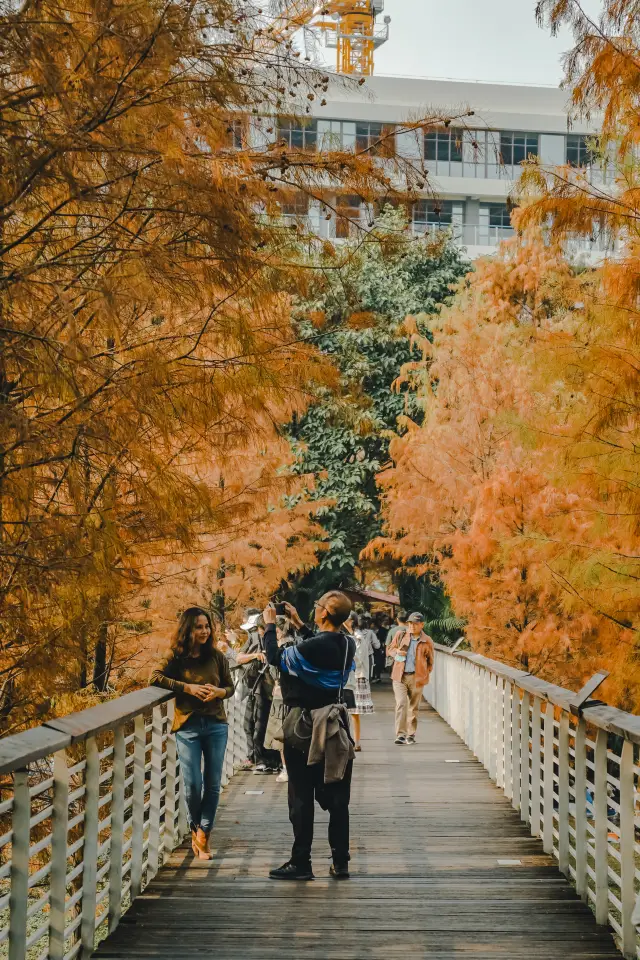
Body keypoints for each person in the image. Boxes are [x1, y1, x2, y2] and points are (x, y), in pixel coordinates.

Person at [262, 592, 356, 881]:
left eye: (317, 606)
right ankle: (340, 861)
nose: (314, 608)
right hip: (335, 725)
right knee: (338, 798)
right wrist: (300, 623)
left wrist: (268, 626)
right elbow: (318, 644)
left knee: (300, 796)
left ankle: (301, 861)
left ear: (325, 613)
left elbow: (275, 658)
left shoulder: (314, 646)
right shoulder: (347, 644)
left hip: (304, 727)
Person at [150, 607, 234, 860]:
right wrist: (187, 687)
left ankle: (204, 833)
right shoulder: (176, 657)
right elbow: (154, 677)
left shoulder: (217, 656)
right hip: (188, 727)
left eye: (207, 626)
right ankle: (195, 827)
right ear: (188, 629)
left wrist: (220, 692)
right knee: (193, 785)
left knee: (212, 783)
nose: (204, 631)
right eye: (199, 627)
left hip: (216, 725)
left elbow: (229, 686)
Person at [237, 612, 280, 774]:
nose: (258, 632)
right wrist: (254, 655)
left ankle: (264, 760)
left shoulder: (273, 639)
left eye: (259, 629)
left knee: (260, 726)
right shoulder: (254, 638)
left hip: (266, 690)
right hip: (252, 687)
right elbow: (238, 658)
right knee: (248, 724)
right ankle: (254, 756)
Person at [387, 612, 434, 746]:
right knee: (401, 703)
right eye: (410, 623)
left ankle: (410, 734)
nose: (412, 626)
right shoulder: (400, 635)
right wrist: (397, 652)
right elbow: (390, 649)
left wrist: (424, 674)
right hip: (399, 676)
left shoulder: (427, 640)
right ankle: (400, 734)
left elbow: (431, 661)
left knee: (413, 707)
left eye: (415, 624)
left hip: (416, 677)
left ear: (422, 625)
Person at [264, 616, 298, 783]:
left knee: (282, 736)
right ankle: (292, 769)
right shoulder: (296, 644)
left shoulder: (283, 648)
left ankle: (287, 769)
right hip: (294, 694)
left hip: (282, 694)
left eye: (276, 631)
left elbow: (275, 671)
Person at [344, 613, 375, 752]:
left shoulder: (358, 636)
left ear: (352, 621)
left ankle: (356, 742)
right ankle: (349, 740)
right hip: (349, 675)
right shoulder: (347, 635)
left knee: (354, 712)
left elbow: (358, 659)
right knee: (346, 711)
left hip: (357, 676)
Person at [372, 613, 390, 682]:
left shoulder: (371, 631)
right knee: (378, 662)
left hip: (377, 648)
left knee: (377, 662)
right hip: (379, 648)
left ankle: (376, 676)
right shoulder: (383, 630)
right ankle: (376, 676)